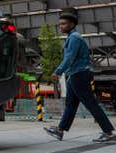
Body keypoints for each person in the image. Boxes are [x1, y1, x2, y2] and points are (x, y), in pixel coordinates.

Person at [44, 12, 115, 142]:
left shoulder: (75, 37)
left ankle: (109, 132)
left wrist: (58, 71)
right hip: (74, 74)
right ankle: (60, 130)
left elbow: (69, 58)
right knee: (71, 104)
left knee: (90, 103)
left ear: (72, 24)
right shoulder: (71, 37)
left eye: (64, 24)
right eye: (60, 24)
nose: (61, 26)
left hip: (79, 74)